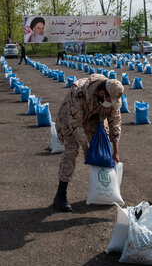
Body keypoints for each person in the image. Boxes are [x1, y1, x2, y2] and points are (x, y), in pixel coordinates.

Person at [53, 74, 124, 212]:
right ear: (102, 93)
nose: (112, 103)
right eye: (110, 100)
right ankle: (60, 195)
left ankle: (102, 191)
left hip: (93, 119)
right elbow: (75, 124)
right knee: (71, 151)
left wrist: (115, 150)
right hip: (69, 121)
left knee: (102, 152)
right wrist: (86, 149)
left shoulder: (112, 95)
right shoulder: (79, 93)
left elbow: (115, 122)